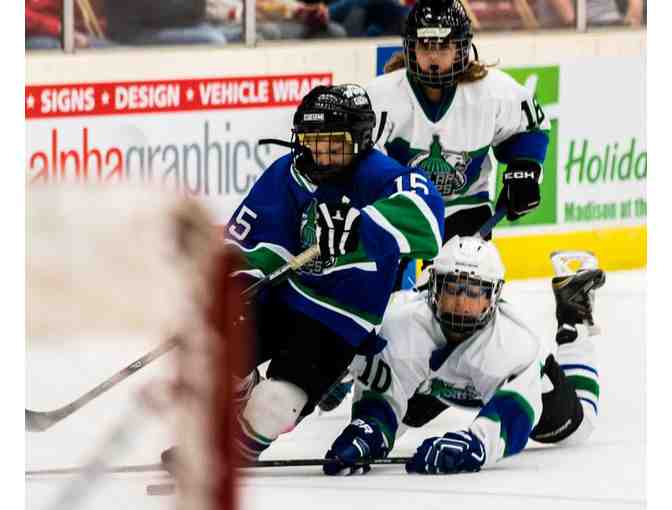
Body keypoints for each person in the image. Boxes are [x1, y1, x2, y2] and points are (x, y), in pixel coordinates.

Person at [163, 84, 444, 467]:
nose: (321, 154)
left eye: (334, 144)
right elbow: (252, 240)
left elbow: (428, 222)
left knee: (274, 405)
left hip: (339, 319)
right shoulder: (290, 172)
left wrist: (361, 227)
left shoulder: (379, 175)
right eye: (312, 142)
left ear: (361, 139)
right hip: (283, 295)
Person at [318, 0, 552, 416]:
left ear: (462, 48)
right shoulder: (381, 96)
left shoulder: (494, 92)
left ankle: (448, 375)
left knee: (461, 298)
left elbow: (530, 127)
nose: (433, 56)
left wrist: (524, 169)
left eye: (443, 46)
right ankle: (357, 364)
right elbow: (353, 159)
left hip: (466, 211)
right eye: (425, 46)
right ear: (409, 48)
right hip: (403, 209)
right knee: (381, 295)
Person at [322, 236, 605, 475]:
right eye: (453, 288)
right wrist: (369, 430)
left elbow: (512, 415)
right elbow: (382, 394)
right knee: (388, 427)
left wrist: (475, 445)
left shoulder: (512, 343)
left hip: (506, 387)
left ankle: (573, 317)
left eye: (473, 292)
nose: (461, 303)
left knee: (577, 429)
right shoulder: (402, 322)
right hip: (433, 382)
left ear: (492, 297)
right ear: (435, 288)